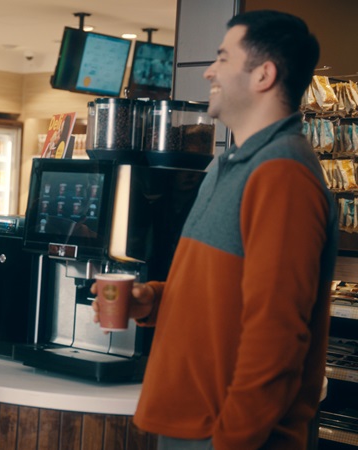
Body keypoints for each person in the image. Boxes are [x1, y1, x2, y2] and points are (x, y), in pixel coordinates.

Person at [92, 10, 337, 450]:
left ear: (263, 75)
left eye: (223, 58)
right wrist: (155, 300)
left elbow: (277, 337)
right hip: (192, 425)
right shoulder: (228, 165)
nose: (209, 71)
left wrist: (231, 440)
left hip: (226, 433)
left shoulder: (282, 175)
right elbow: (224, 294)